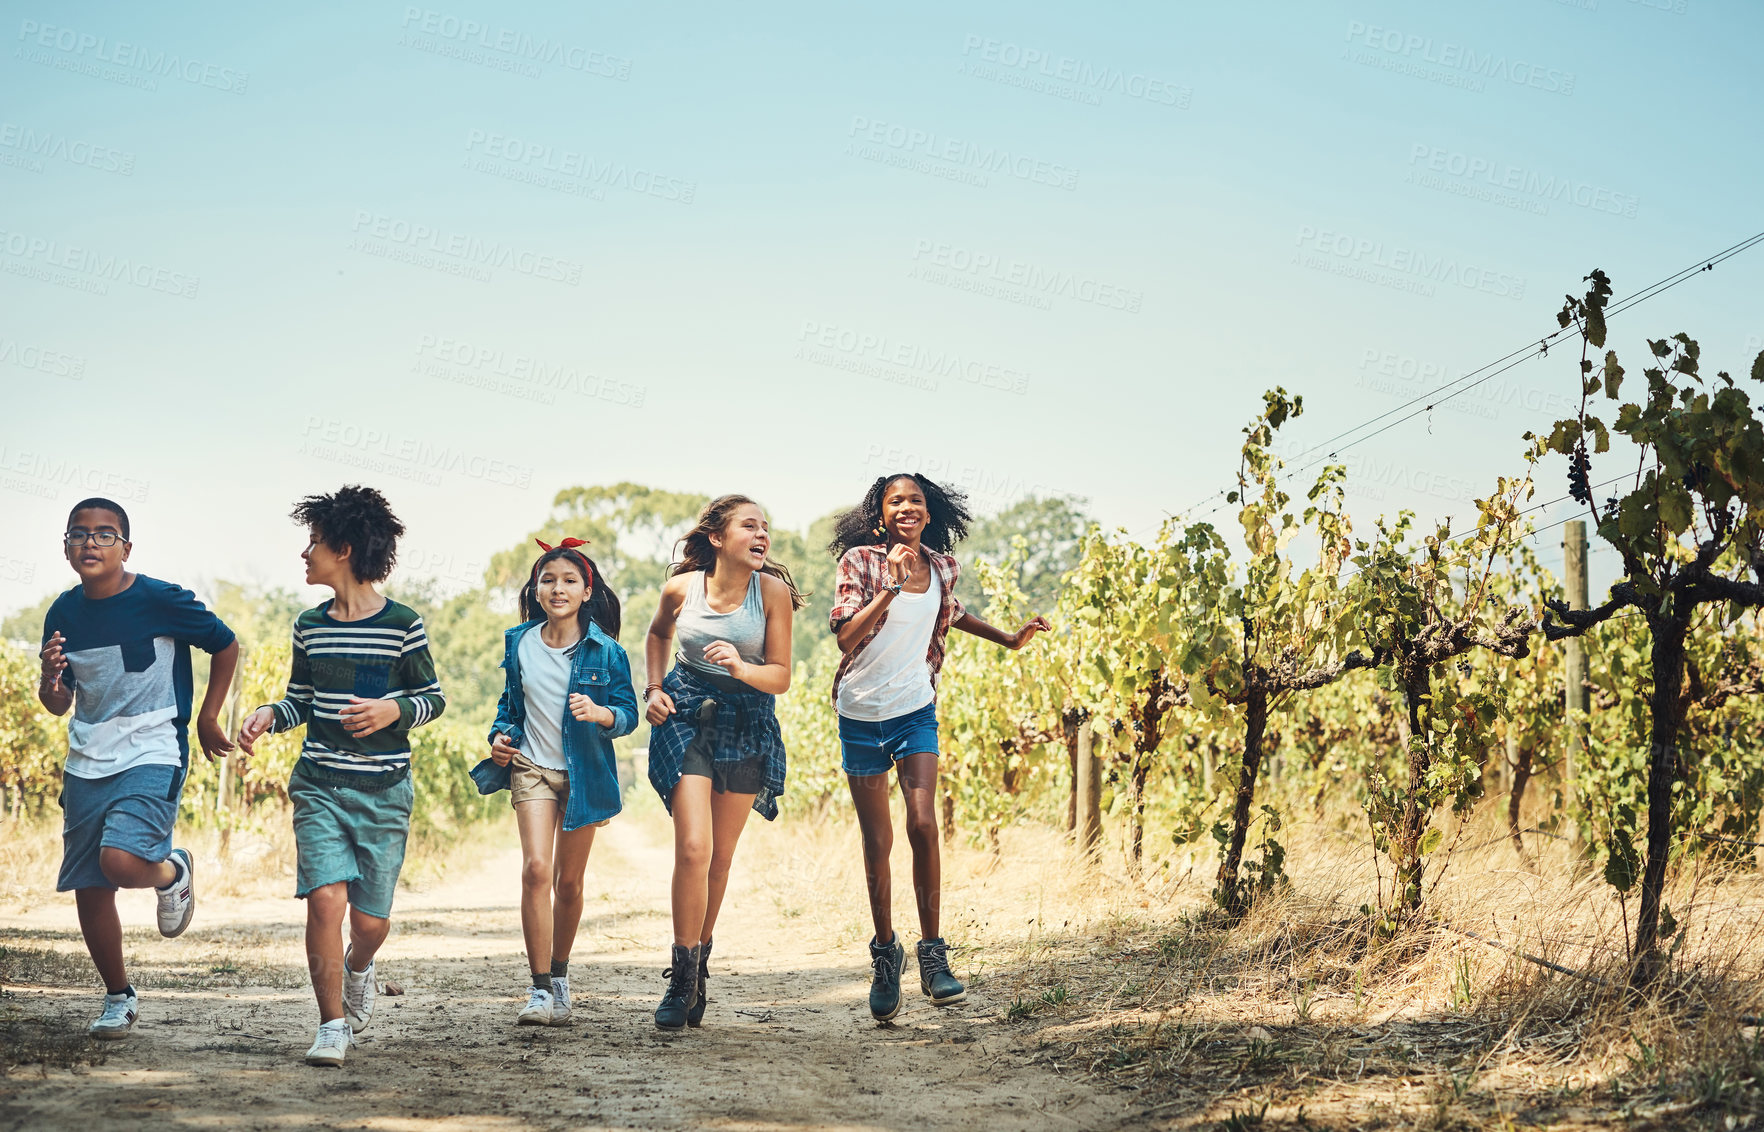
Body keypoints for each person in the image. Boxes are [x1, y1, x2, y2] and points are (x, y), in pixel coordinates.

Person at [235, 485, 446, 1068]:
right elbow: (300, 700)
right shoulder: (309, 625)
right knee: (325, 902)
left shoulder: (403, 624)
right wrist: (268, 715)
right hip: (320, 785)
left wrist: (394, 710)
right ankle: (331, 1026)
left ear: (345, 550)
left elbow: (433, 698)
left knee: (370, 923)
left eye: (315, 543)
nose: (306, 553)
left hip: (384, 792)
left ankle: (359, 965)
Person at [828, 473, 1050, 1022]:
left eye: (917, 501)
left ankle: (933, 954)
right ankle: (885, 954)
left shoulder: (943, 567)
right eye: (896, 500)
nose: (907, 507)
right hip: (860, 714)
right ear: (881, 513)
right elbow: (846, 636)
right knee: (877, 840)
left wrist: (1009, 639)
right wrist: (892, 587)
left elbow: (952, 614)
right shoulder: (860, 561)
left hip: (914, 709)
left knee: (923, 824)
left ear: (930, 514)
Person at [37, 497, 239, 1040]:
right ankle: (118, 996)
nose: (90, 544)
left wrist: (208, 715)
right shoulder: (62, 613)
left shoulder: (159, 598)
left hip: (153, 748)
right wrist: (50, 681)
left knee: (122, 861)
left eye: (105, 535)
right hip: (86, 758)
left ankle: (171, 871)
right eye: (78, 534)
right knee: (89, 884)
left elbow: (225, 643)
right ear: (65, 547)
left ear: (126, 546)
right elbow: (59, 704)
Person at [643, 495, 804, 1031]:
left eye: (767, 527)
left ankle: (701, 960)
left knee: (720, 857)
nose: (763, 535)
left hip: (748, 719)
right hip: (687, 713)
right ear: (717, 537)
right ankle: (681, 972)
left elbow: (780, 676)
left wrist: (739, 667)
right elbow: (658, 634)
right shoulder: (681, 589)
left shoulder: (772, 593)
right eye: (750, 526)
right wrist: (653, 688)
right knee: (693, 846)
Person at [468, 537, 638, 1026]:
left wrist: (603, 713)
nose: (557, 588)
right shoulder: (518, 641)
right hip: (531, 767)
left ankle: (561, 976)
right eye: (548, 580)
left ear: (587, 591)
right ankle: (540, 988)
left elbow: (628, 714)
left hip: (584, 773)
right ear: (536, 590)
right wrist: (501, 736)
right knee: (536, 871)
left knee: (569, 881)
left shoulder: (607, 652)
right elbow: (509, 706)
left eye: (569, 581)